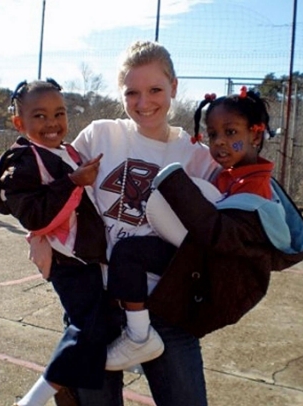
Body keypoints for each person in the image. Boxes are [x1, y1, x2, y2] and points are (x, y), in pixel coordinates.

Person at [30, 40, 222, 406]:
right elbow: (49, 186)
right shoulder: (101, 134)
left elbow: (230, 220)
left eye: (155, 89)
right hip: (97, 309)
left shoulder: (198, 158)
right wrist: (36, 235)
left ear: (173, 86)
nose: (144, 102)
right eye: (132, 92)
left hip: (166, 311)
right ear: (121, 94)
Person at [104, 86, 277, 371]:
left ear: (255, 135)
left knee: (128, 253)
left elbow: (225, 236)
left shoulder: (254, 186)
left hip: (212, 270)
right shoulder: (228, 175)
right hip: (202, 256)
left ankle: (138, 337)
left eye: (231, 133)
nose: (220, 142)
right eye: (212, 134)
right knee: (128, 254)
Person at [0, 79, 107, 406]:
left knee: (97, 324)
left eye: (59, 113)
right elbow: (33, 216)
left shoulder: (64, 150)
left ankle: (68, 377)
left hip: (84, 257)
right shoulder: (21, 163)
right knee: (90, 326)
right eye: (39, 116)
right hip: (68, 261)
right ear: (19, 123)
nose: (52, 122)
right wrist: (73, 182)